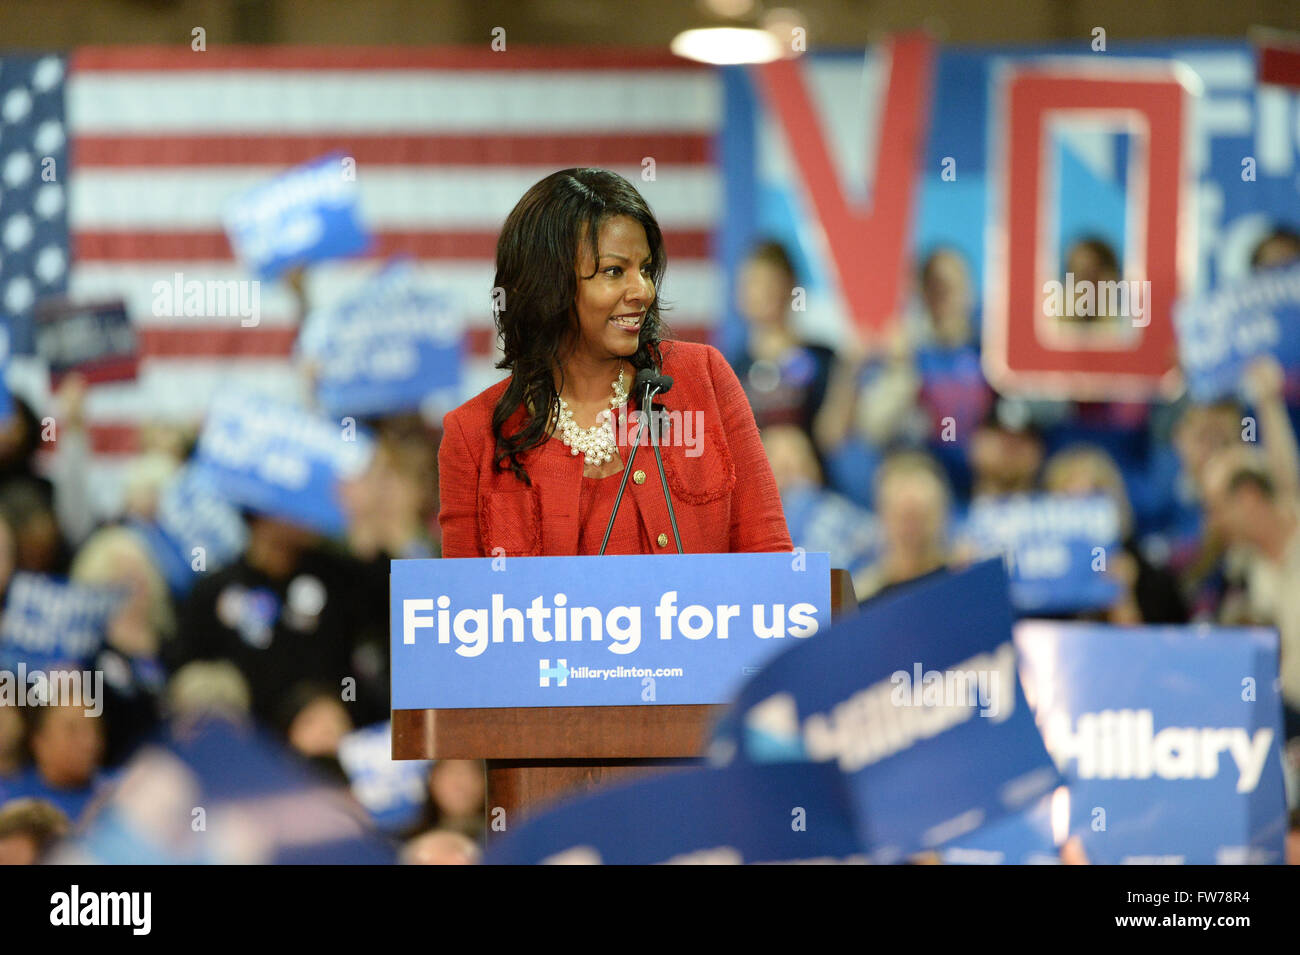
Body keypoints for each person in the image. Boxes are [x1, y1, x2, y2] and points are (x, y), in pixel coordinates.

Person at [438, 167, 791, 557]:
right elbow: (466, 609)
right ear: (548, 283)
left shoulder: (702, 378)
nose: (643, 290)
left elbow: (770, 560)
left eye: (644, 269)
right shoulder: (472, 437)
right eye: (614, 271)